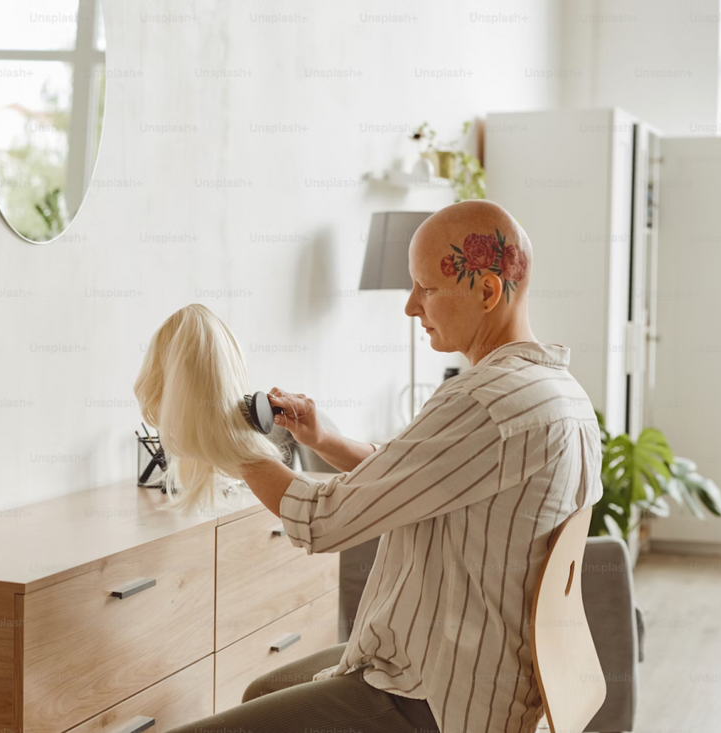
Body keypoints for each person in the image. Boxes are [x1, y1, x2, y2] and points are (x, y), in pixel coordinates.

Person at [171, 200, 603, 733]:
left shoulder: (482, 401)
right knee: (264, 691)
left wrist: (226, 441)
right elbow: (423, 479)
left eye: (426, 288)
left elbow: (322, 521)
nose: (410, 307)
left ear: (487, 292)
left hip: (439, 696)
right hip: (506, 681)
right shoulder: (557, 392)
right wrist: (324, 438)